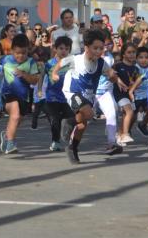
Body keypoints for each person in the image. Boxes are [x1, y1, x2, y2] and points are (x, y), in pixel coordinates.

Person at [59, 30, 119, 164]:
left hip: (89, 96)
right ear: (86, 47)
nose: (99, 51)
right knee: (89, 114)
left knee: (81, 125)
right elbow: (60, 64)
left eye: (101, 48)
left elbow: (111, 74)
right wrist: (54, 74)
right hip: (72, 91)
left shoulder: (102, 63)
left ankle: (72, 148)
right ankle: (68, 123)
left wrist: (113, 77)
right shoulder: (76, 59)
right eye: (95, 48)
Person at [0, 34, 40, 154]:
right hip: (9, 94)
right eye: (17, 53)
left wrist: (24, 75)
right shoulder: (5, 59)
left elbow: (35, 80)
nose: (21, 56)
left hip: (24, 96)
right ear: (12, 51)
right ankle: (10, 144)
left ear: (28, 50)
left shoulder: (31, 62)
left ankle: (6, 135)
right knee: (15, 116)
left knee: (17, 119)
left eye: (24, 53)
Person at [113, 42, 141, 149]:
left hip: (130, 95)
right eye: (129, 52)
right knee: (129, 111)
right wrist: (119, 81)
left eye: (134, 52)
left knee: (128, 115)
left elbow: (137, 83)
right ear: (123, 54)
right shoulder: (118, 65)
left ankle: (120, 135)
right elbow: (112, 75)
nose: (132, 54)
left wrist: (134, 85)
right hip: (119, 94)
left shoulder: (136, 69)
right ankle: (125, 134)